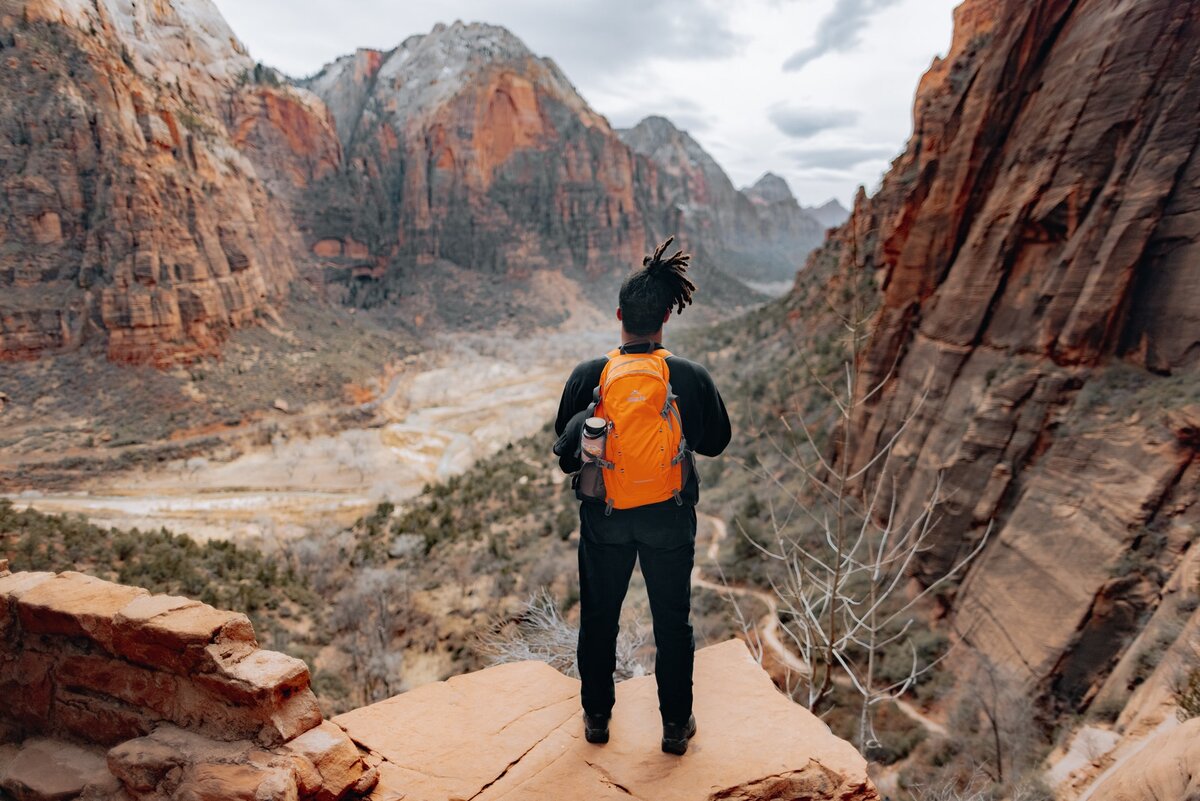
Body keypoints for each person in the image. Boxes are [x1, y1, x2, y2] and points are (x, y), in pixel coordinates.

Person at [553, 237, 731, 756]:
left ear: (618, 315)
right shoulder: (689, 375)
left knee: (599, 618)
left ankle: (597, 720)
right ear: (666, 320)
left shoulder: (590, 375)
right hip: (670, 521)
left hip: (604, 517)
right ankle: (675, 726)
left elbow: (565, 454)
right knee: (672, 622)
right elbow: (717, 443)